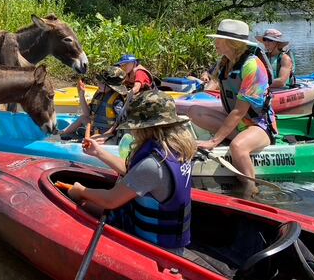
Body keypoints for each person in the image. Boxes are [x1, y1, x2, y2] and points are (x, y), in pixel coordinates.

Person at [67, 90, 197, 256]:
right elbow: (134, 174)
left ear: (144, 128)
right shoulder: (178, 149)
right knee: (92, 205)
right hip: (170, 241)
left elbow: (110, 200)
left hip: (157, 250)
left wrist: (80, 191)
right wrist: (98, 152)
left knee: (84, 205)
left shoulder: (153, 164)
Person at [187, 19, 277, 195]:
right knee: (193, 111)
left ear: (232, 44)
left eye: (218, 40)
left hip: (257, 124)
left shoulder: (252, 65)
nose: (215, 43)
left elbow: (239, 111)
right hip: (237, 124)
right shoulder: (225, 62)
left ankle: (251, 188)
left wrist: (214, 141)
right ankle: (232, 136)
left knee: (238, 147)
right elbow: (214, 80)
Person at [60, 66, 127, 142]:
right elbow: (87, 114)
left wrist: (106, 135)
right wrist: (81, 95)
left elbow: (120, 122)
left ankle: (81, 138)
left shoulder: (117, 100)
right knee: (83, 118)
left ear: (110, 86)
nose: (98, 83)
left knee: (86, 140)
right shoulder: (99, 94)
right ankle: (62, 133)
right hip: (95, 128)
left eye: (101, 82)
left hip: (106, 133)